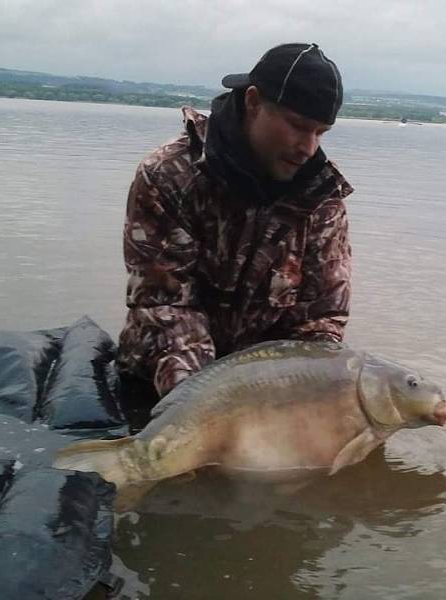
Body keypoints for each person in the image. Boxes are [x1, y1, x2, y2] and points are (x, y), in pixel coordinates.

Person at [116, 43, 353, 403]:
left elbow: (320, 320)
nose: (308, 147)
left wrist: (303, 400)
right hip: (168, 381)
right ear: (254, 102)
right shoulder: (169, 175)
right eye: (298, 126)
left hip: (267, 389)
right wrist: (202, 406)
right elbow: (165, 307)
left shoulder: (322, 198)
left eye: (320, 133)